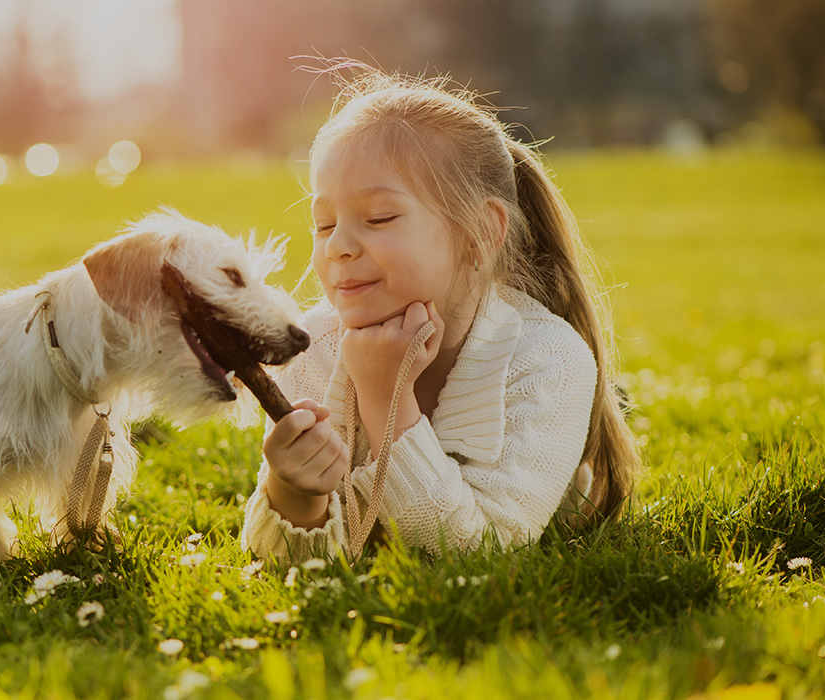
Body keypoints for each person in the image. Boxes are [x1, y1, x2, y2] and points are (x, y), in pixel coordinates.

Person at [241, 64, 640, 561]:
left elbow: (481, 553)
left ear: (480, 233)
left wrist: (389, 403)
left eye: (379, 217)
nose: (338, 245)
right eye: (323, 224)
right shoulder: (313, 345)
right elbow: (287, 565)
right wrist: (295, 493)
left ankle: (607, 410)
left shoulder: (548, 361)